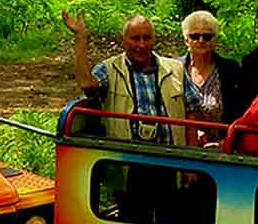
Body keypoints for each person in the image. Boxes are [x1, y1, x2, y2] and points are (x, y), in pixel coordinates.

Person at [62, 11, 185, 143]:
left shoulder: (176, 69)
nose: (141, 45)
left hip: (170, 156)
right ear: (122, 40)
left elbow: (193, 111)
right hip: (124, 156)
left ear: (154, 39)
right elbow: (87, 84)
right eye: (135, 38)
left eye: (147, 38)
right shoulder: (109, 68)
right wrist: (81, 38)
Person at [179, 10, 245, 147]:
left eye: (207, 36)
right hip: (183, 146)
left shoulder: (230, 69)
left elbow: (241, 111)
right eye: (195, 36)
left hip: (222, 146)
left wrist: (226, 142)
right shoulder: (176, 69)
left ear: (215, 40)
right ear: (186, 40)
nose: (201, 41)